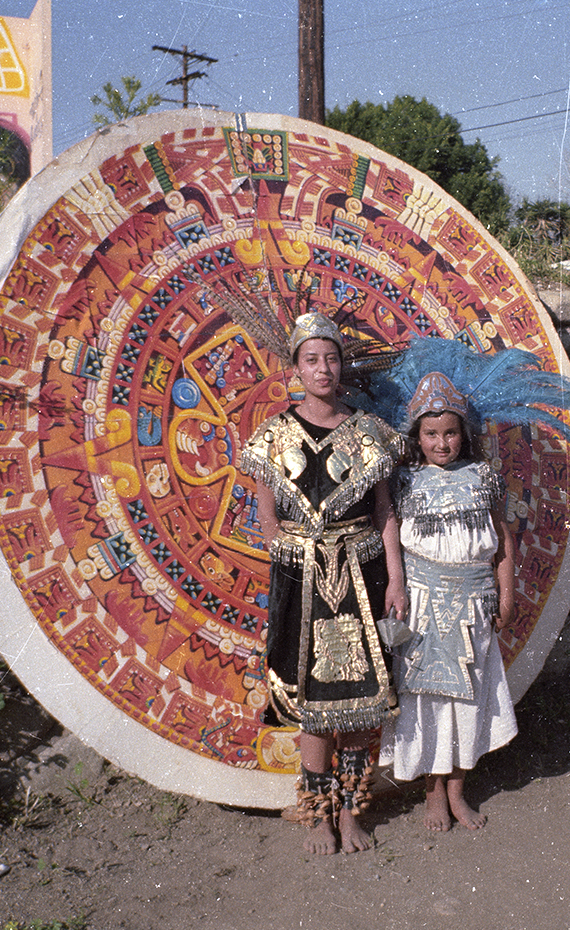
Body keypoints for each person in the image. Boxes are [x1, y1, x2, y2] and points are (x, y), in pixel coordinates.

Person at [238, 311, 408, 855]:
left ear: (343, 364)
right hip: (302, 581)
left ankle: (354, 812)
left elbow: (385, 513)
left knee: (360, 700)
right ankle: (318, 817)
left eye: (331, 357)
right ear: (295, 367)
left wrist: (396, 579)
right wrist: (297, 560)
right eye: (311, 359)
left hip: (363, 577)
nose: (323, 368)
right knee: (311, 700)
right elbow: (267, 520)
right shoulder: (272, 436)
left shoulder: (370, 433)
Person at [382, 370, 520, 831]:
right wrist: (397, 587)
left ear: (464, 433)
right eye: (431, 434)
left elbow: (502, 542)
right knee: (423, 701)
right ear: (416, 436)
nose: (442, 443)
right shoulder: (403, 482)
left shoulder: (484, 477)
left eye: (450, 433)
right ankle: (431, 792)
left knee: (469, 697)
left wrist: (507, 593)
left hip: (474, 604)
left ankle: (458, 791)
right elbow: (392, 544)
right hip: (420, 606)